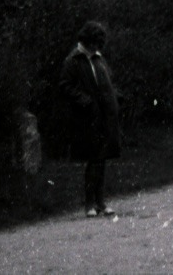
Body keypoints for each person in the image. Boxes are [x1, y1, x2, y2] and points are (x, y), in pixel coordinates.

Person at [59, 20, 120, 217]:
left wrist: (115, 97)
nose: (96, 46)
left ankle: (100, 202)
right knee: (93, 160)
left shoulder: (98, 59)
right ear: (86, 40)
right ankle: (89, 203)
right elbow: (65, 86)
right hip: (87, 117)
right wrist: (84, 101)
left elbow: (107, 81)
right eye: (93, 42)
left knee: (101, 159)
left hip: (103, 116)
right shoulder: (73, 60)